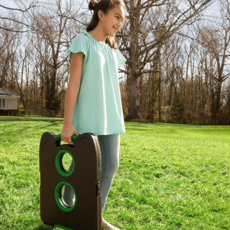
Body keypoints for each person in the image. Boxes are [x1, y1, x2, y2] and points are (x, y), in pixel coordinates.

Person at [60, 0, 126, 229]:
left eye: (122, 19)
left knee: (110, 165)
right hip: (88, 118)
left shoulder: (112, 50)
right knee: (80, 168)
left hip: (111, 118)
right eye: (117, 16)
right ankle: (66, 210)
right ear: (101, 14)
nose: (120, 23)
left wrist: (117, 113)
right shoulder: (82, 42)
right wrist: (67, 123)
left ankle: (95, 215)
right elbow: (74, 84)